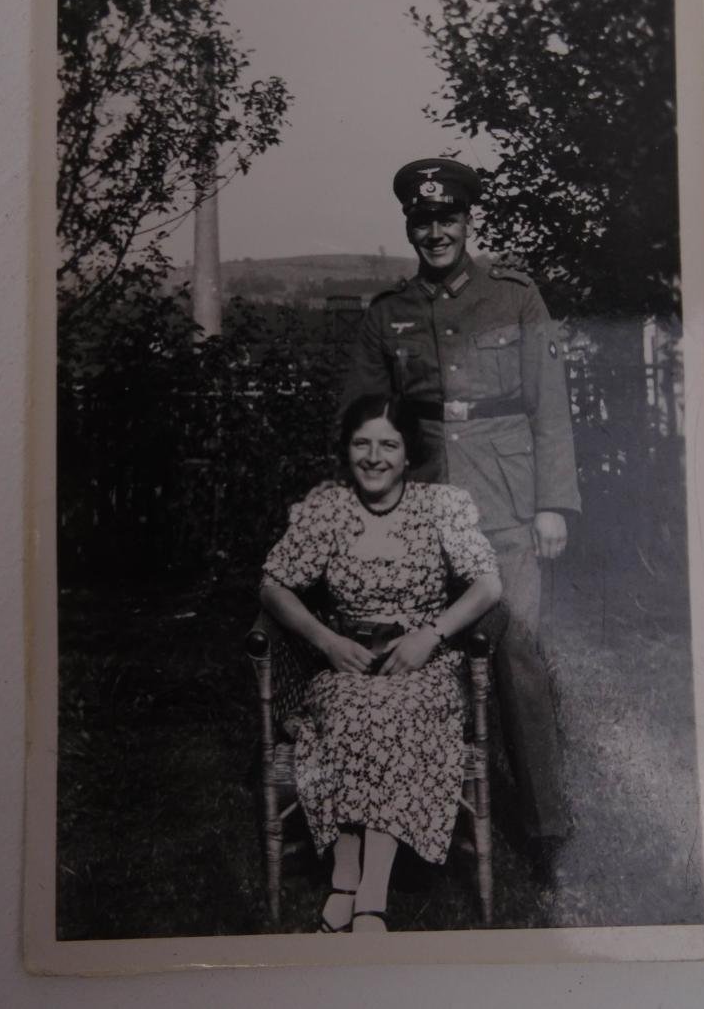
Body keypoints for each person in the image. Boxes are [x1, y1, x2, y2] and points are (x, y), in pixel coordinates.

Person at [340, 158, 581, 861]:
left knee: (518, 653)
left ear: (468, 222)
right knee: (413, 652)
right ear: (409, 226)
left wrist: (553, 505)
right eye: (423, 221)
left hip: (507, 499)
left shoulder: (514, 298)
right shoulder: (389, 314)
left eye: (448, 219)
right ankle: (415, 820)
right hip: (416, 503)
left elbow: (550, 408)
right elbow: (360, 420)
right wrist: (367, 511)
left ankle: (545, 829)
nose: (436, 232)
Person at [259, 393, 501, 933]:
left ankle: (366, 897)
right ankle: (349, 883)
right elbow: (274, 586)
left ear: (407, 453)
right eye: (361, 443)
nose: (374, 457)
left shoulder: (439, 507)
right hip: (347, 662)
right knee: (347, 711)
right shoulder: (328, 509)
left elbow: (488, 584)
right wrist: (324, 640)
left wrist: (428, 635)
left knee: (391, 713)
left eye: (388, 445)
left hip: (423, 666)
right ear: (346, 451)